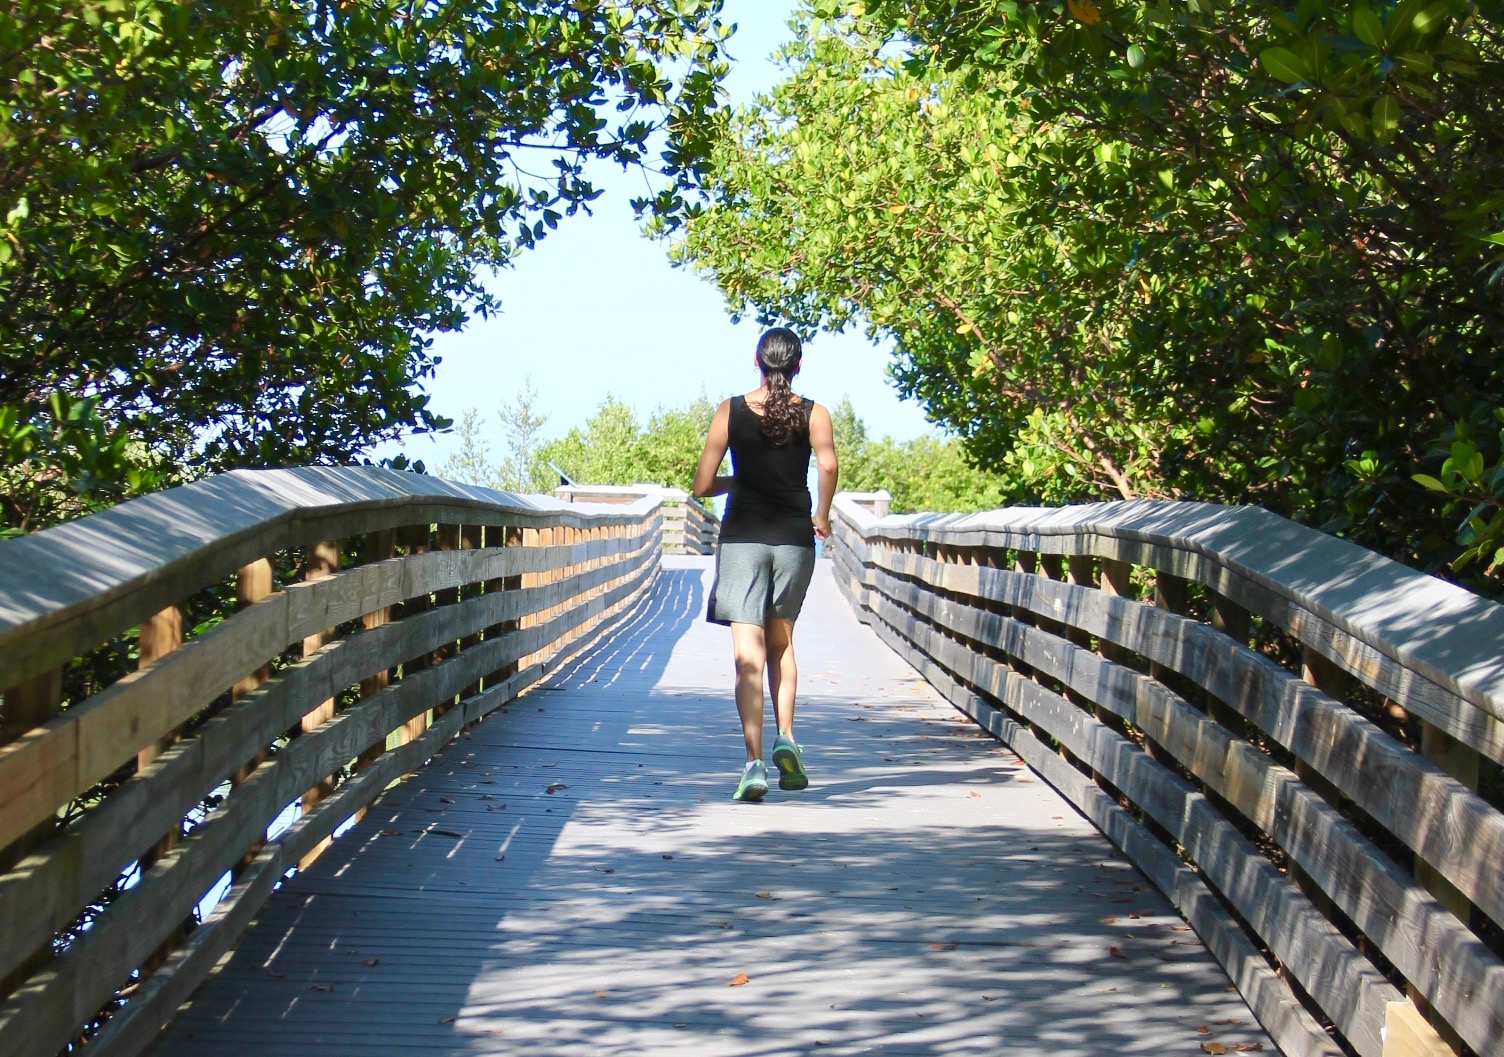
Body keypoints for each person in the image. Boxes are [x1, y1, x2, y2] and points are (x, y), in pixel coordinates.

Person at [693, 327, 839, 802]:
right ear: (799, 366)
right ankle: (787, 738)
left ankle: (754, 764)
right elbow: (829, 466)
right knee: (782, 645)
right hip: (794, 539)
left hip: (743, 541)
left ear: (757, 362)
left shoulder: (730, 411)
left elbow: (702, 483)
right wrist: (821, 514)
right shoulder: (815, 413)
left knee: (747, 657)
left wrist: (735, 483)